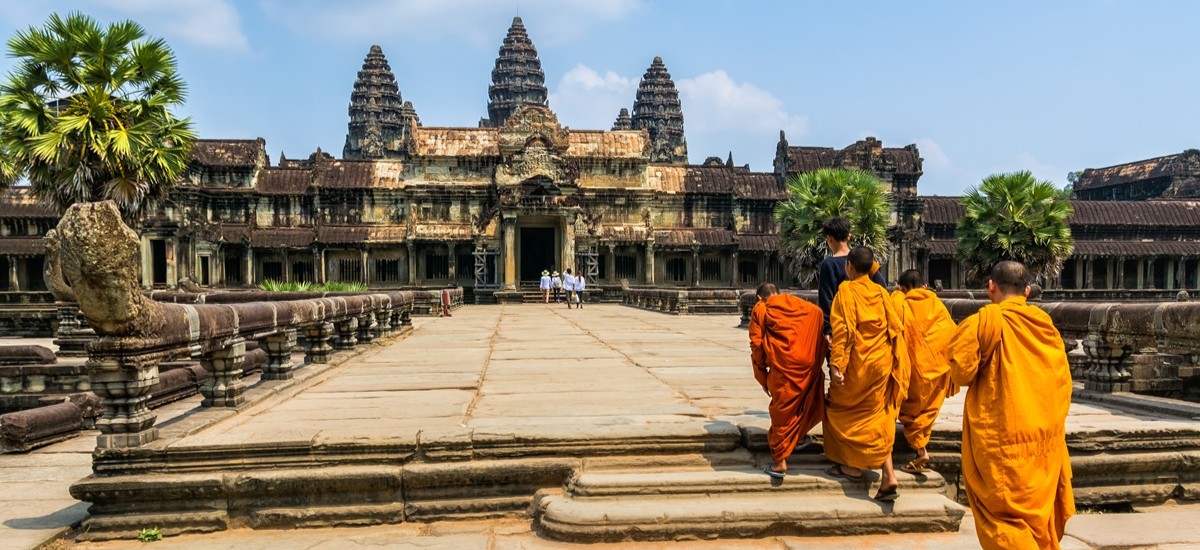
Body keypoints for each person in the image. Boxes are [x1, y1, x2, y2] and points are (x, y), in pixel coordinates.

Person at [948, 261, 1074, 550]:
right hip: (1042, 441)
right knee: (1035, 519)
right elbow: (1062, 383)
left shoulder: (982, 323)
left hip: (1000, 441)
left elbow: (960, 373)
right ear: (1027, 290)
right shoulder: (1045, 327)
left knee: (1004, 519)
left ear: (991, 286)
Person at [823, 246, 909, 502]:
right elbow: (895, 329)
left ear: (848, 266)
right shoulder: (882, 292)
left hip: (857, 366)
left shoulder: (846, 291)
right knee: (879, 414)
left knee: (840, 410)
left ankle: (853, 466)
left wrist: (836, 365)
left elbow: (844, 332)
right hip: (881, 362)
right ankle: (888, 474)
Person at [749, 282, 826, 479]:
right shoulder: (801, 305)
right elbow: (818, 314)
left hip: (783, 367)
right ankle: (797, 437)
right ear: (780, 293)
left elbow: (756, 344)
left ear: (759, 298)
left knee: (781, 412)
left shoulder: (761, 308)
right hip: (807, 365)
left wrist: (761, 375)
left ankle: (780, 462)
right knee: (803, 404)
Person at [891, 269, 957, 473]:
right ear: (925, 286)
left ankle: (921, 450)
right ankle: (920, 448)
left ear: (901, 288)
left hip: (914, 371)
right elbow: (950, 332)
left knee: (910, 409)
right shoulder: (937, 304)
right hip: (936, 367)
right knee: (927, 409)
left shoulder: (900, 303)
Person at [818, 218, 887, 337]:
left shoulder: (829, 264)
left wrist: (828, 329)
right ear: (849, 236)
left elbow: (826, 299)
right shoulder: (862, 257)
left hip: (843, 324)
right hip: (869, 323)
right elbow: (882, 287)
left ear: (829, 238)